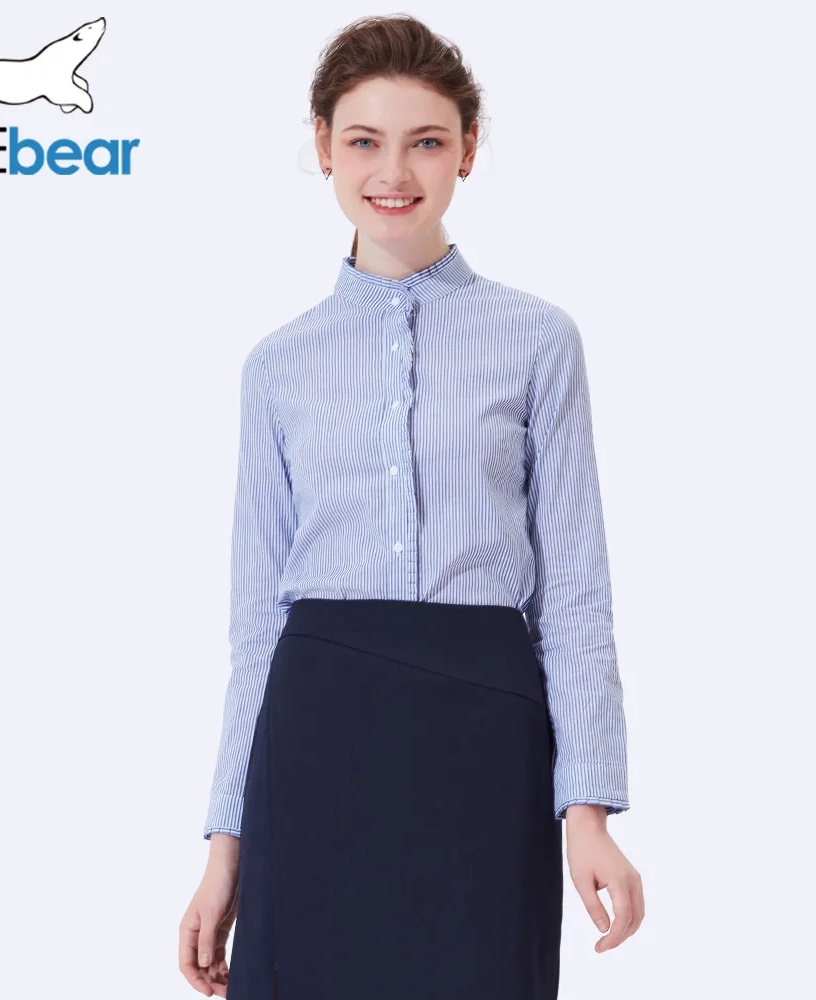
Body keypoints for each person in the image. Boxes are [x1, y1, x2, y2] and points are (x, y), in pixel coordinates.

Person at [180, 13, 644, 999]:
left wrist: (588, 810)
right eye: (363, 140)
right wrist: (226, 847)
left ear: (468, 149)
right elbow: (255, 625)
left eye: (425, 141)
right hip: (315, 734)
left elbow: (574, 593)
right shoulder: (276, 366)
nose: (393, 171)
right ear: (322, 147)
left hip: (486, 740)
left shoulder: (538, 341)